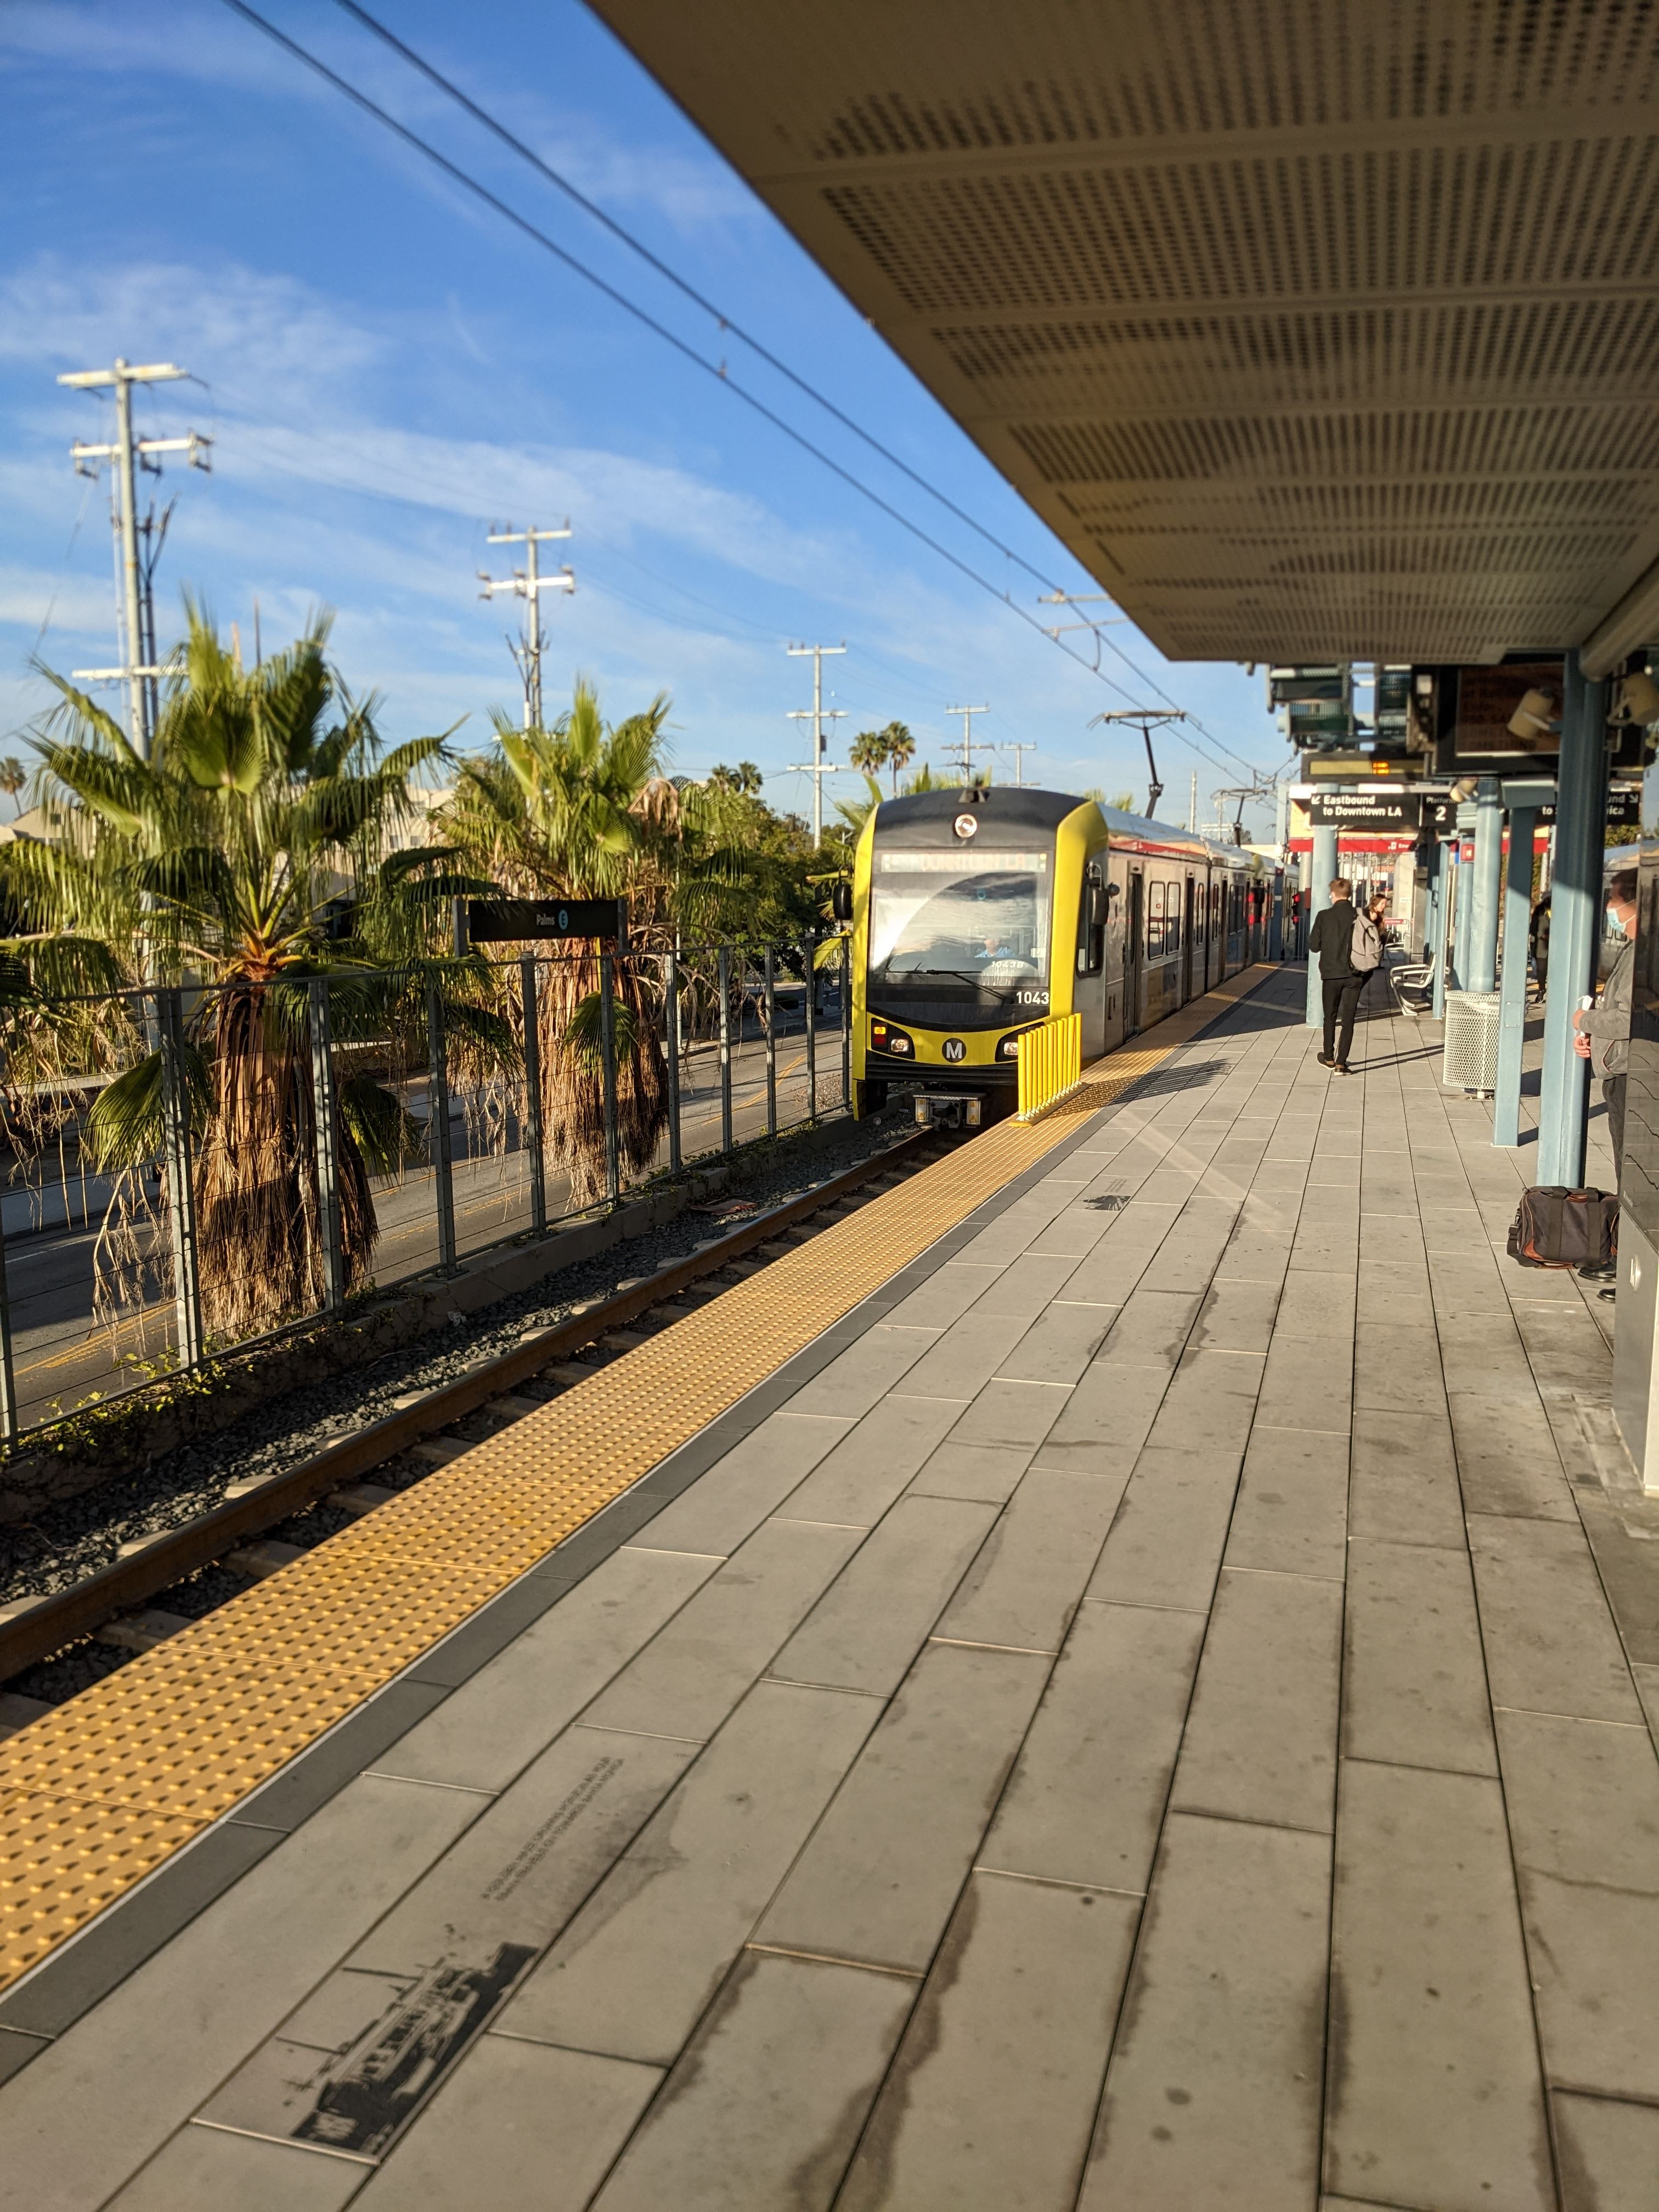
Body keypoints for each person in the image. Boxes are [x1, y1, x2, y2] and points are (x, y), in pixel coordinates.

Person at [1573, 871, 1638, 1297]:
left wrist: (1585, 1021)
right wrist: (1594, 1042)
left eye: (1614, 901)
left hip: (1631, 1075)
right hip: (1622, 1066)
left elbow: (1628, 1017)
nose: (1611, 910)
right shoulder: (1636, 949)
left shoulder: (1644, 953)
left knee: (1631, 1171)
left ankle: (1632, 1265)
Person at [1310, 876, 1364, 1073]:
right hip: (1355, 974)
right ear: (1349, 895)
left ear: (1332, 895)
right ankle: (1342, 1064)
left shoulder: (1324, 916)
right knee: (1349, 1019)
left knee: (1330, 1016)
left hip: (1331, 975)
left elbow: (1314, 946)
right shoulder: (1360, 916)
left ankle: (1329, 1057)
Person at [1530, 891, 1551, 1001]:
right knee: (1542, 971)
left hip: (1557, 949)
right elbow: (1533, 928)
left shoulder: (1560, 910)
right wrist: (1542, 936)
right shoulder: (1539, 911)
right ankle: (1541, 990)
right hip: (1542, 948)